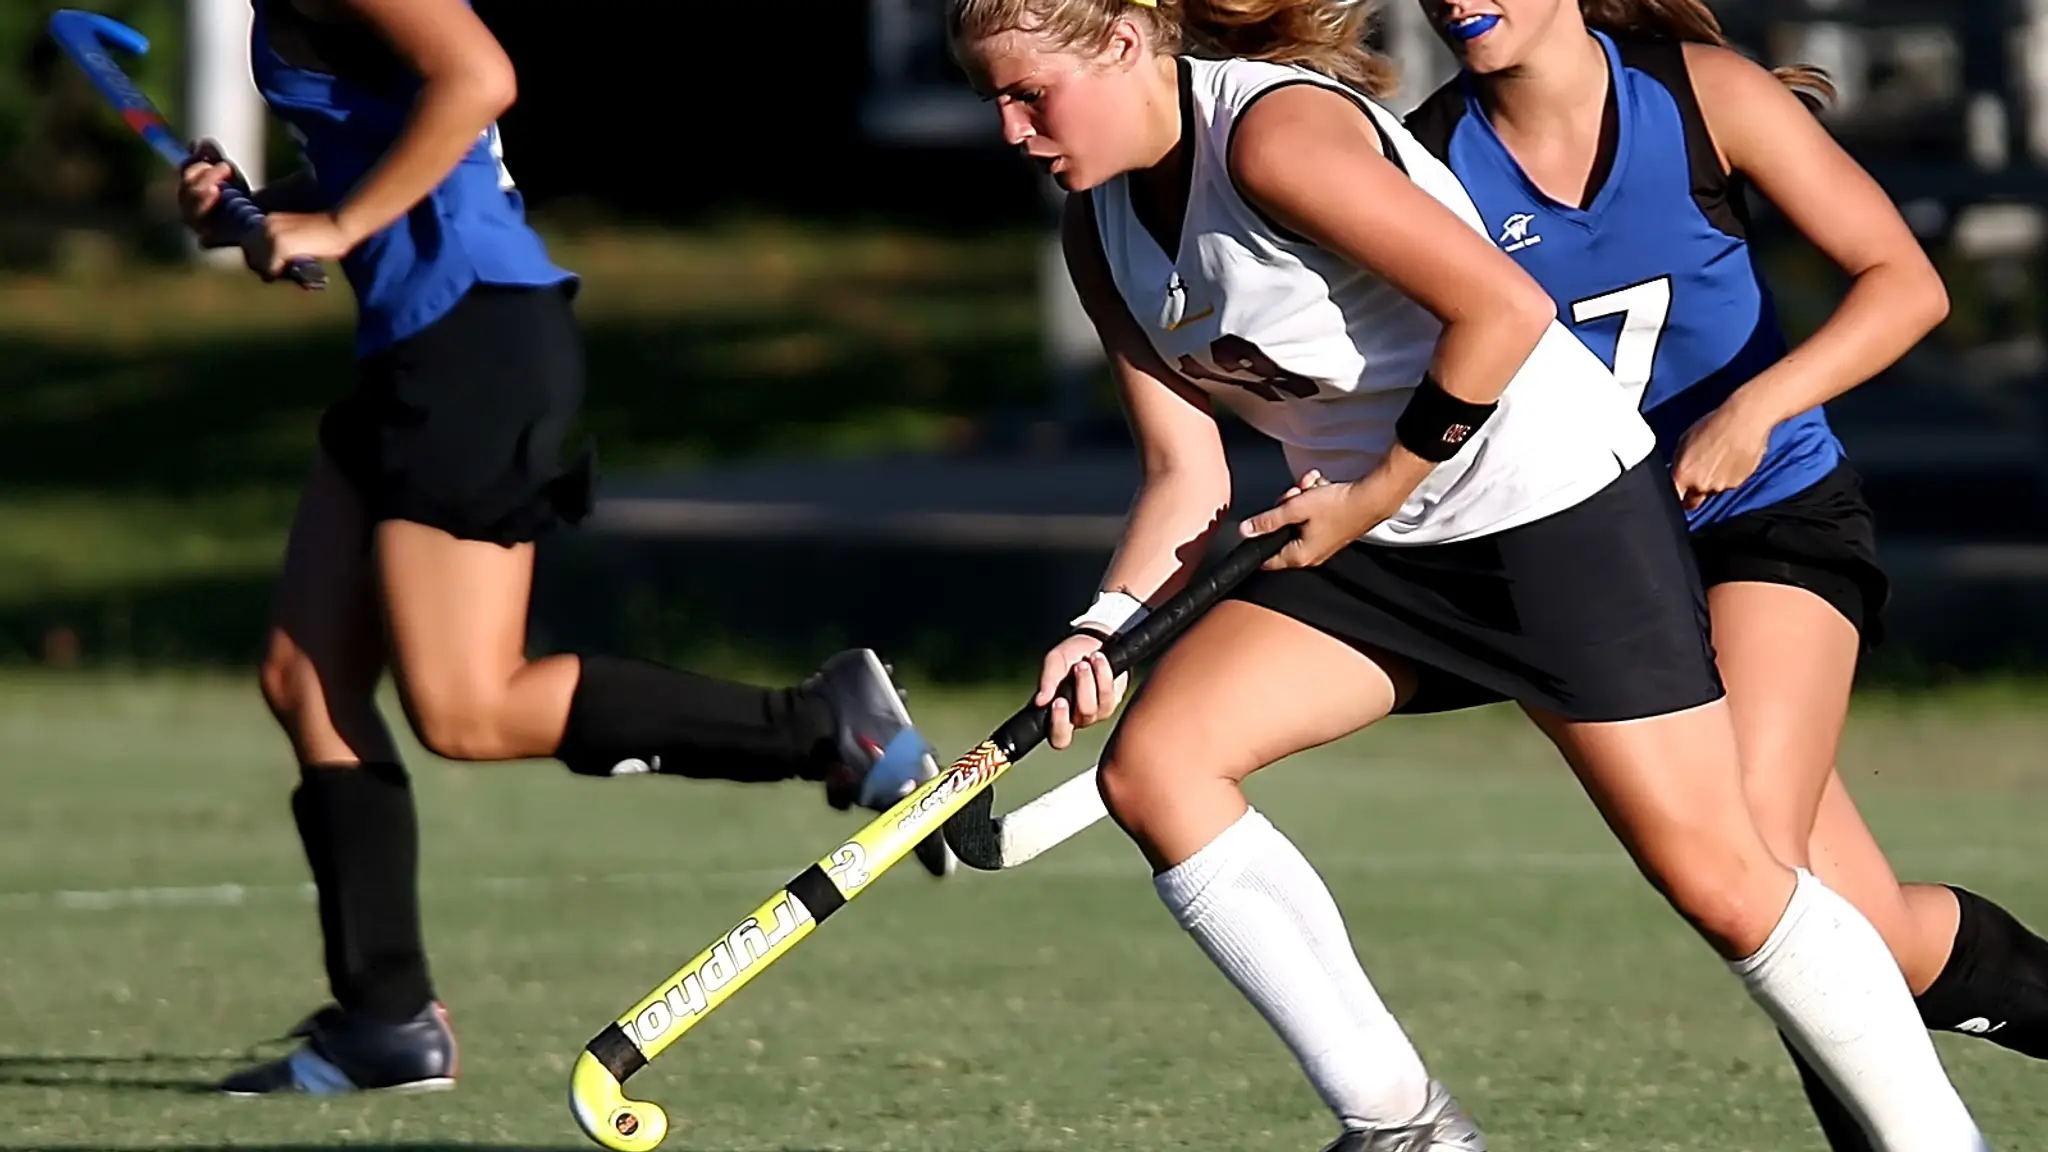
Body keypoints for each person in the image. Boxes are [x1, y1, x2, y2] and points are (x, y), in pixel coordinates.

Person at [947, 0, 1995, 1148]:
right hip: (1383, 538)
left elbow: (1503, 307)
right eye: (994, 98)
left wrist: (1370, 495)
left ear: (1126, 41)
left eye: (1028, 94)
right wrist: (1103, 623)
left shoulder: (1273, 136)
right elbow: (1182, 467)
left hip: (1550, 511)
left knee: (1729, 881)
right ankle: (1402, 1125)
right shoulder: (1097, 228)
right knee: (1155, 768)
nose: (1010, 130)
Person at [174, 0, 953, 1096]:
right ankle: (384, 1021)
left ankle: (822, 727)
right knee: (305, 676)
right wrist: (263, 210)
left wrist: (337, 231)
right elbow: (393, 146)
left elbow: (479, 79)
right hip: (413, 345)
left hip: (471, 342)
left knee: (467, 708)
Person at [1400, 1, 2048, 1144]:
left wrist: (1755, 408)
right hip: (1591, 562)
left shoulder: (1700, 94)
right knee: (1865, 933)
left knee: (1753, 866)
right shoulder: (1423, 160)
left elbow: (1905, 282)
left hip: (1767, 517)